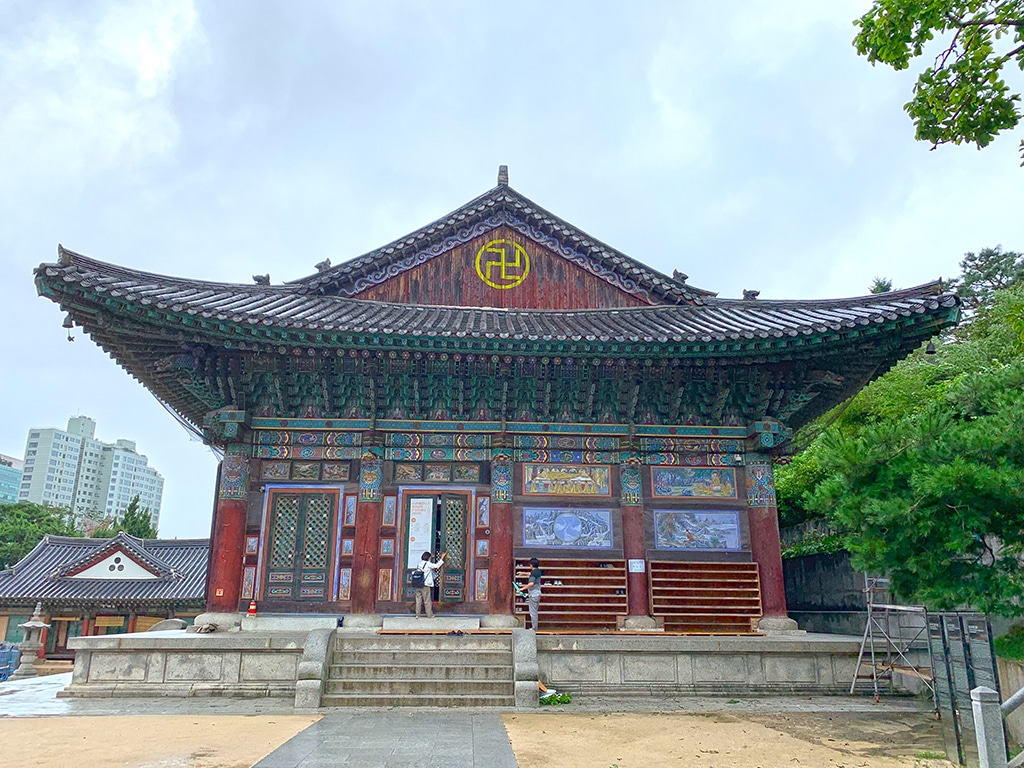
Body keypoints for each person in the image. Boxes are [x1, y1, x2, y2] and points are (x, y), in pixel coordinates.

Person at [415, 551, 445, 619]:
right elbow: (437, 566)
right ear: (428, 558)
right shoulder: (428, 564)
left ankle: (417, 615)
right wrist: (442, 558)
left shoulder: (419, 564)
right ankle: (430, 615)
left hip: (418, 584)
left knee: (418, 600)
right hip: (425, 584)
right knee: (427, 600)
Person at [525, 557, 543, 630]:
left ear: (531, 565)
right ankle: (535, 627)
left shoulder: (533, 574)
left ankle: (534, 628)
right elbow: (531, 574)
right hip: (538, 593)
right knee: (535, 610)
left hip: (533, 594)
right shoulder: (538, 571)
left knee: (533, 612)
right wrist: (523, 573)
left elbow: (531, 583)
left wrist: (521, 589)